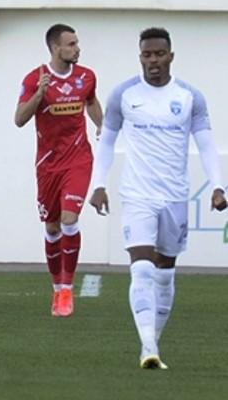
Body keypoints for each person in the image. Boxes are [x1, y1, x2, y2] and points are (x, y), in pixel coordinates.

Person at [89, 27, 226, 369]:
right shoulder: (124, 94)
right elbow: (107, 141)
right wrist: (98, 184)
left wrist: (218, 186)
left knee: (165, 274)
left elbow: (206, 145)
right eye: (147, 55)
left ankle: (152, 342)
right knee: (142, 268)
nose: (153, 61)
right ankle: (148, 346)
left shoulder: (190, 97)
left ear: (170, 56)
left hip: (175, 197)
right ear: (140, 57)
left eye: (159, 54)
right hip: (137, 195)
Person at [14, 23, 102, 317]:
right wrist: (39, 95)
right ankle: (56, 288)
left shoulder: (86, 76)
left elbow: (91, 102)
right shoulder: (34, 79)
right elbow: (19, 119)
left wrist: (102, 125)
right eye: (71, 44)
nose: (77, 48)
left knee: (69, 219)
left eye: (77, 43)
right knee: (52, 228)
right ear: (55, 48)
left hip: (78, 159)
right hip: (48, 165)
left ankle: (66, 289)